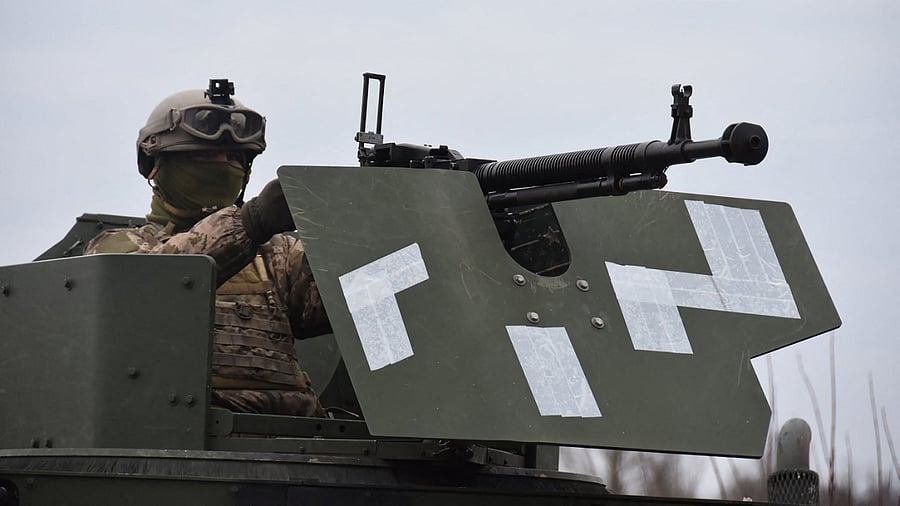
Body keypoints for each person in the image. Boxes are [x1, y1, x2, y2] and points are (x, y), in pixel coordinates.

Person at [85, 79, 330, 417]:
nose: (222, 164)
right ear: (155, 166)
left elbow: (348, 301)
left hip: (298, 441)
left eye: (234, 157)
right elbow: (158, 284)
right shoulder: (117, 248)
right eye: (203, 155)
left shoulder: (277, 256)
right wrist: (252, 221)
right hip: (183, 436)